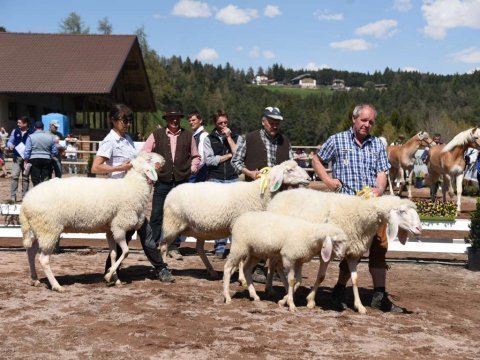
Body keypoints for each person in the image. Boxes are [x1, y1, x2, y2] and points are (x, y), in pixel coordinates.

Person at [312, 103, 404, 313]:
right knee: (349, 251)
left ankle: (379, 295)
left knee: (380, 247)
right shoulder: (337, 140)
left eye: (371, 121)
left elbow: (382, 172)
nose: (367, 125)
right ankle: (339, 290)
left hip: (372, 206)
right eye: (363, 120)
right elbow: (316, 159)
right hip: (347, 209)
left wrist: (379, 189)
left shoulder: (377, 145)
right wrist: (327, 179)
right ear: (354, 119)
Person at [92, 104, 175, 284]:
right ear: (113, 121)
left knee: (137, 234)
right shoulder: (110, 141)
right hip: (118, 196)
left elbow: (136, 164)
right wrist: (121, 167)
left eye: (129, 120)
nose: (127, 124)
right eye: (124, 120)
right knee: (139, 233)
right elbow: (96, 166)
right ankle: (159, 268)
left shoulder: (127, 138)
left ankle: (112, 270)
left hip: (131, 196)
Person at [231, 106, 294, 283]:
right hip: (255, 195)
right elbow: (235, 162)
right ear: (263, 121)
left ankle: (273, 268)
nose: (274, 126)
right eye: (271, 122)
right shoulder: (248, 138)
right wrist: (249, 173)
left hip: (279, 196)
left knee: (275, 232)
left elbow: (290, 165)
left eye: (277, 123)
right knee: (256, 232)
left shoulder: (285, 141)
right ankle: (255, 268)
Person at [142, 105, 200, 261]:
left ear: (180, 119)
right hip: (162, 181)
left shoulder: (188, 136)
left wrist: (193, 168)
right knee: (156, 215)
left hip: (181, 182)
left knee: (178, 216)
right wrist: (151, 168)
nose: (174, 120)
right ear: (166, 119)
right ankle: (152, 246)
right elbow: (144, 154)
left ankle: (173, 247)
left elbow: (196, 156)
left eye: (176, 118)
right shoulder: (156, 135)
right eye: (171, 118)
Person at [203, 110, 239, 258]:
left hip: (233, 178)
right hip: (215, 178)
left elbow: (239, 154)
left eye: (225, 122)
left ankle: (236, 248)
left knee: (236, 215)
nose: (223, 125)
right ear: (215, 124)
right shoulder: (208, 139)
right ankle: (219, 248)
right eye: (220, 123)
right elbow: (209, 160)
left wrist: (229, 138)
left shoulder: (236, 137)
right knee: (219, 215)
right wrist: (228, 156)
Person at [7, 116, 34, 202]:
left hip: (27, 158)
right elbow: (10, 141)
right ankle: (13, 196)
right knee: (14, 176)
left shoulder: (32, 132)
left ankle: (25, 196)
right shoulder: (15, 131)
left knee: (25, 178)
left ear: (25, 123)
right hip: (17, 157)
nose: (17, 124)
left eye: (19, 122)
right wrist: (10, 145)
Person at [23, 121, 57, 186]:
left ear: (34, 127)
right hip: (47, 159)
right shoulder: (50, 137)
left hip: (34, 159)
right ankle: (45, 193)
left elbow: (27, 150)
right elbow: (54, 151)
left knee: (35, 179)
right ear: (43, 127)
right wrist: (51, 156)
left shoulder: (30, 137)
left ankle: (37, 193)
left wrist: (26, 160)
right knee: (46, 179)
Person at [187, 110, 208, 183]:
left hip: (199, 171)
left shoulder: (203, 135)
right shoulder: (195, 135)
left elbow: (202, 157)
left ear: (200, 120)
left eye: (193, 120)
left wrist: (193, 170)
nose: (191, 122)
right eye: (189, 121)